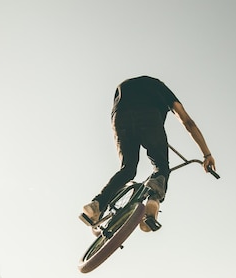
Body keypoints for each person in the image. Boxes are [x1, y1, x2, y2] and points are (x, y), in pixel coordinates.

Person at [80, 75, 216, 232]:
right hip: (149, 116)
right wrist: (206, 154)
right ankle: (152, 202)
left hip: (120, 116)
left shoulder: (126, 87)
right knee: (161, 166)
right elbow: (187, 121)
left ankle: (96, 205)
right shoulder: (161, 89)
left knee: (128, 168)